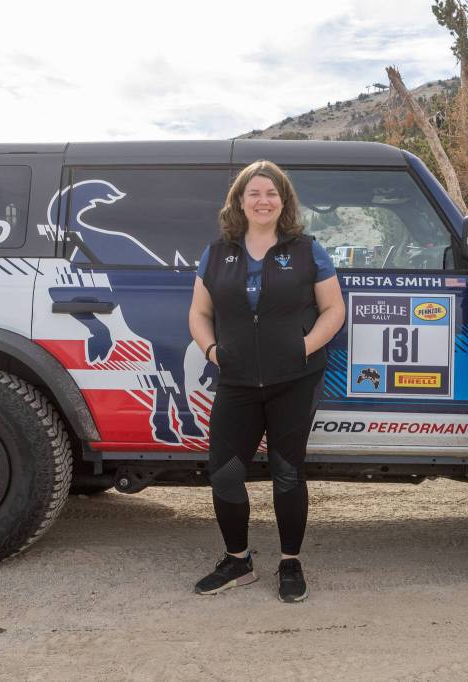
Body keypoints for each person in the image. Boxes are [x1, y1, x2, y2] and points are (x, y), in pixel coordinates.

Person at [188, 160, 345, 603]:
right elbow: (199, 313)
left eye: (271, 193)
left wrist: (304, 347)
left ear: (284, 201)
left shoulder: (307, 249)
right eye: (254, 193)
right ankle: (237, 561)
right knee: (224, 473)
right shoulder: (217, 252)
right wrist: (213, 351)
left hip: (295, 378)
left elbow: (334, 310)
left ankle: (290, 562)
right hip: (237, 381)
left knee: (287, 472)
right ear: (240, 201)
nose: (263, 201)